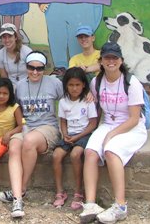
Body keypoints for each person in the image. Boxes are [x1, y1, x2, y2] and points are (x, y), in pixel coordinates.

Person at [79, 43, 147, 224]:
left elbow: (134, 118)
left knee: (111, 150)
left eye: (114, 58)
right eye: (107, 58)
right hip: (108, 123)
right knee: (90, 151)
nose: (111, 61)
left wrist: (111, 135)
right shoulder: (96, 82)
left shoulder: (131, 83)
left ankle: (120, 206)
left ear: (121, 61)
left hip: (132, 127)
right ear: (100, 61)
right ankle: (91, 203)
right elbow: (98, 110)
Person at [0, 51, 63, 218]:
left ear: (44, 69)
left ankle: (21, 189)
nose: (35, 72)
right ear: (26, 67)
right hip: (26, 126)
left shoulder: (54, 83)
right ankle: (18, 198)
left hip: (47, 127)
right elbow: (12, 106)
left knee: (29, 141)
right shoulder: (19, 85)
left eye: (39, 69)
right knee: (14, 146)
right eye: (31, 68)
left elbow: (70, 97)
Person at [52, 67, 97, 209]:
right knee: (56, 155)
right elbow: (63, 121)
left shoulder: (88, 101)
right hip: (69, 135)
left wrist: (78, 136)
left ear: (84, 84)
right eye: (71, 85)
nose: (74, 88)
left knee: (75, 154)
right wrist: (65, 134)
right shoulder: (64, 101)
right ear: (65, 85)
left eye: (77, 85)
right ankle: (60, 191)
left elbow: (93, 124)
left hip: (84, 135)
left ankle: (78, 192)